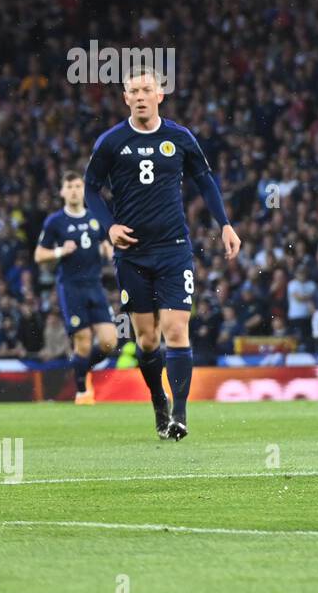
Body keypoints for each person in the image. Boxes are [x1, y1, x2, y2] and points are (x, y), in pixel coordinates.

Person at [83, 69, 240, 440]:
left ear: (160, 95)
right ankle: (158, 399)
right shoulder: (111, 142)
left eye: (146, 89)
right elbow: (91, 190)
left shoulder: (180, 138)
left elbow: (205, 180)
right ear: (125, 98)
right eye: (133, 90)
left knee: (176, 330)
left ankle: (180, 416)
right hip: (133, 255)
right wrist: (109, 226)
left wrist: (225, 224)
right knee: (148, 340)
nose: (140, 96)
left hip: (173, 251)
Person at [34, 172, 118, 404]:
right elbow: (39, 255)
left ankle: (80, 368)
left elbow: (104, 243)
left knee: (110, 342)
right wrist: (61, 251)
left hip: (95, 285)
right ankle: (82, 391)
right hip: (70, 286)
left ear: (84, 189)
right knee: (82, 339)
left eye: (77, 186)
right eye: (69, 186)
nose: (73, 190)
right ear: (62, 191)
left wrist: (112, 254)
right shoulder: (55, 221)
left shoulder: (94, 218)